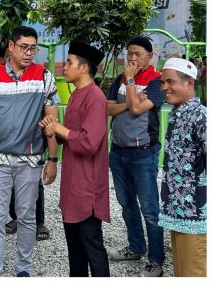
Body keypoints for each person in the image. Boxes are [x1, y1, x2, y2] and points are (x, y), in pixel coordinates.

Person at [0, 26, 59, 277]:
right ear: (11, 47)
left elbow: (52, 121)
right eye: (24, 47)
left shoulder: (43, 76)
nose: (29, 53)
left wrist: (52, 159)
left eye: (33, 48)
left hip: (30, 160)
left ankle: (23, 271)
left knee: (27, 217)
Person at [40, 42, 110, 277]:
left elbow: (89, 142)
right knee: (75, 251)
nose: (64, 66)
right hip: (73, 185)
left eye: (69, 62)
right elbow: (70, 135)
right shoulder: (76, 94)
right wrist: (53, 128)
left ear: (83, 68)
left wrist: (59, 128)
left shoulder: (95, 97)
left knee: (92, 248)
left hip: (87, 187)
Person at [106, 36, 165, 277]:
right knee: (126, 203)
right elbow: (108, 108)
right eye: (129, 53)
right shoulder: (119, 79)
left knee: (149, 208)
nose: (132, 58)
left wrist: (131, 82)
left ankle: (156, 259)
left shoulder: (157, 81)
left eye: (138, 54)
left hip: (143, 153)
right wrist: (130, 101)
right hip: (118, 151)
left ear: (150, 56)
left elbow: (139, 109)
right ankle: (136, 247)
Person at [158, 58, 206, 277]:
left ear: (189, 83)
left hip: (196, 218)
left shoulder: (200, 116)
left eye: (170, 82)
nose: (164, 87)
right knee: (182, 272)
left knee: (194, 273)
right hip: (178, 214)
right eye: (162, 82)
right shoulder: (178, 114)